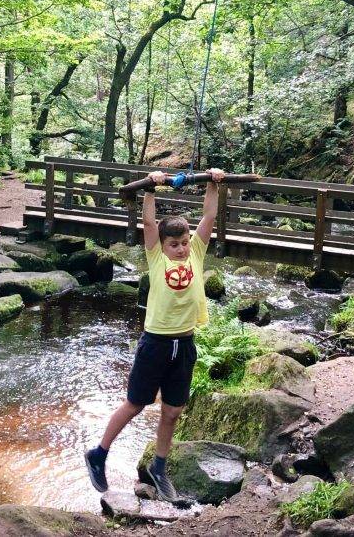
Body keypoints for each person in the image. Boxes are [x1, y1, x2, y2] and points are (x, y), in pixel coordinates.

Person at [85, 168, 226, 501]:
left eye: (182, 243)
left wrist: (213, 182)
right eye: (173, 244)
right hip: (156, 344)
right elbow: (148, 223)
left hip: (185, 343)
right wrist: (150, 188)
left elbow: (209, 214)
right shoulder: (156, 258)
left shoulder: (196, 252)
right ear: (162, 246)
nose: (179, 249)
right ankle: (99, 454)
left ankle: (159, 467)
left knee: (173, 411)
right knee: (136, 403)